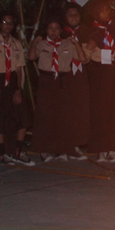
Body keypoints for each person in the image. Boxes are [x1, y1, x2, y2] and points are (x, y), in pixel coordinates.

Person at [30, 15, 87, 161]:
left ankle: (62, 149)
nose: (53, 31)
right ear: (46, 30)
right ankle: (44, 149)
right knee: (45, 116)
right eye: (50, 28)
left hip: (62, 81)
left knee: (63, 116)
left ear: (61, 30)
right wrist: (34, 42)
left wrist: (76, 43)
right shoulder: (42, 44)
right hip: (46, 80)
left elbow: (82, 58)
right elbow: (30, 57)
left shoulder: (67, 44)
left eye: (56, 28)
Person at [0, 11, 33, 164]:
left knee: (23, 116)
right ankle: (3, 152)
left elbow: (19, 69)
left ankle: (18, 150)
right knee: (0, 118)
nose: (8, 26)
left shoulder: (16, 43)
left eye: (10, 23)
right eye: (4, 22)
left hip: (13, 82)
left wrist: (19, 89)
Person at [83, 0, 115, 161]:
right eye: (102, 11)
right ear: (96, 14)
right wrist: (90, 45)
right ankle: (100, 148)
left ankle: (112, 147)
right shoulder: (93, 31)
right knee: (100, 111)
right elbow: (85, 56)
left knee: (114, 110)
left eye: (108, 10)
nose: (106, 13)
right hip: (99, 72)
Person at [60, 4, 92, 158]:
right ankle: (66, 144)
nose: (73, 17)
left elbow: (87, 56)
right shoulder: (59, 33)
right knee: (66, 109)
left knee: (80, 109)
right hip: (66, 75)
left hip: (81, 75)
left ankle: (78, 143)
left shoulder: (86, 32)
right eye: (70, 14)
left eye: (76, 14)